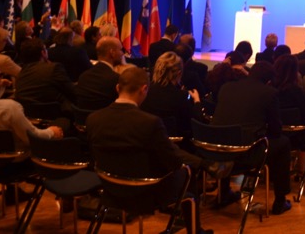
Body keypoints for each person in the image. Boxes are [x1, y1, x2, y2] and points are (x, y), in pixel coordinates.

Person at [86, 67, 209, 234]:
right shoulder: (150, 122)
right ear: (144, 89)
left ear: (117, 88)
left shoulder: (93, 119)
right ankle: (195, 230)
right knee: (187, 174)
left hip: (109, 189)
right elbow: (173, 162)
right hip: (144, 194)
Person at [211, 62, 294, 215]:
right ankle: (280, 200)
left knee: (230, 137)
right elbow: (276, 130)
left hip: (217, 150)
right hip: (246, 154)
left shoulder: (226, 87)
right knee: (283, 143)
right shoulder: (269, 93)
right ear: (269, 80)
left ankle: (223, 193)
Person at [140, 52, 205, 148]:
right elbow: (195, 123)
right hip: (176, 147)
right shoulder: (181, 96)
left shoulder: (145, 92)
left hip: (147, 143)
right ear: (179, 73)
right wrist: (197, 101)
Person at [14, 37, 76, 116]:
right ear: (43, 53)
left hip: (29, 116)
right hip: (57, 115)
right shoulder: (54, 68)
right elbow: (72, 92)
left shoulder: (20, 74)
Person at [75, 36, 123, 110]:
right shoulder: (116, 80)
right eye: (121, 50)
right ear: (112, 53)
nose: (122, 54)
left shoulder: (84, 76)